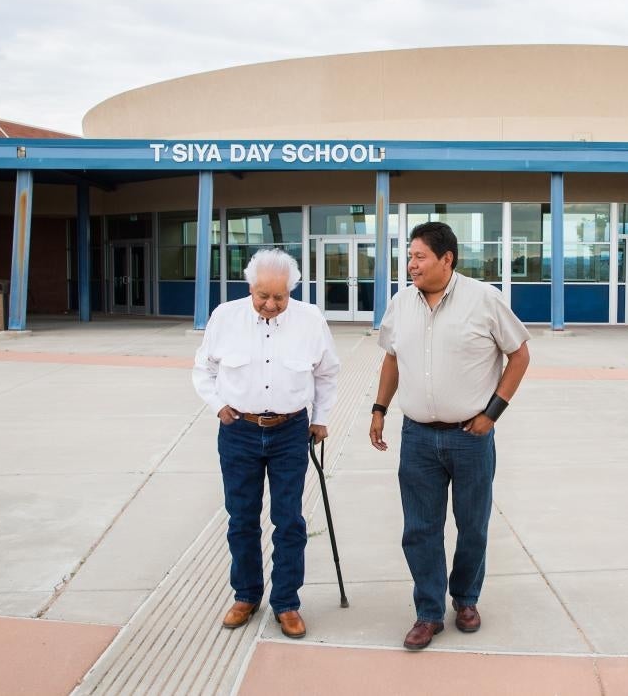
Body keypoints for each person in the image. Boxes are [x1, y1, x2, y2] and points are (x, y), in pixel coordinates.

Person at [369, 221, 531, 650]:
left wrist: (492, 414)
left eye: (419, 257)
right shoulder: (401, 303)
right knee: (420, 528)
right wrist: (379, 408)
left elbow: (519, 355)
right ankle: (427, 612)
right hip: (418, 438)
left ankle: (465, 600)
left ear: (447, 259)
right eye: (409, 256)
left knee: (472, 525)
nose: (411, 264)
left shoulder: (485, 299)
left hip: (470, 438)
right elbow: (391, 360)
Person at [192, 248, 340, 639]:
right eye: (262, 296)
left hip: (291, 431)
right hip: (238, 429)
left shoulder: (310, 319)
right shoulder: (225, 316)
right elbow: (203, 369)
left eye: (279, 297)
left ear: (291, 290)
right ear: (250, 287)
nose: (270, 305)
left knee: (288, 520)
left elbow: (327, 374)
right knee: (241, 518)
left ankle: (287, 602)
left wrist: (321, 418)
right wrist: (218, 404)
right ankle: (246, 595)